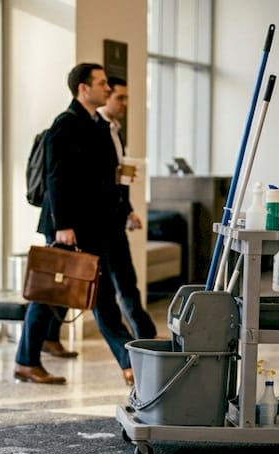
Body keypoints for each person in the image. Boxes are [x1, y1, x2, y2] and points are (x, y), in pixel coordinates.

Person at [14, 63, 136, 386]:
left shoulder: (94, 123)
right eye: (101, 83)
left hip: (90, 226)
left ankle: (27, 360)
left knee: (79, 293)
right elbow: (57, 178)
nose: (107, 89)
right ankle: (129, 363)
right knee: (65, 293)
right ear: (83, 88)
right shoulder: (66, 125)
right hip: (70, 228)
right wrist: (63, 225)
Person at [97, 76, 158, 348]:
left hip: (114, 218)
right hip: (101, 223)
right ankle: (143, 336)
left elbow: (118, 180)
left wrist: (129, 210)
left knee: (125, 280)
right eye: (119, 97)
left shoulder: (114, 130)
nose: (125, 103)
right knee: (114, 285)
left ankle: (145, 333)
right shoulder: (95, 129)